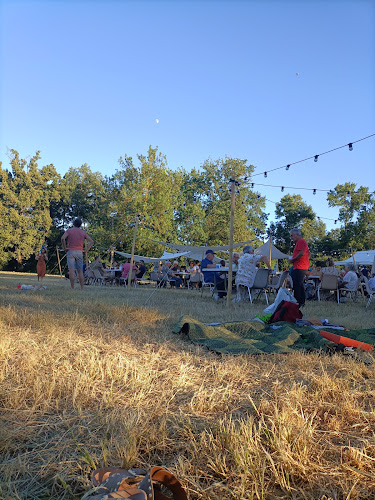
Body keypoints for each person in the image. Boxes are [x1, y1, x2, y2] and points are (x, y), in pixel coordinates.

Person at [61, 218, 94, 290]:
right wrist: (86, 250)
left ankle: (72, 287)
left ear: (73, 223)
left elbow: (63, 238)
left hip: (71, 251)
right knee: (80, 271)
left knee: (72, 271)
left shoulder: (69, 231)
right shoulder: (83, 232)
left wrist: (65, 248)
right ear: (80, 225)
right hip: (79, 252)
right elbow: (91, 241)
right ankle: (82, 287)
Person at [288, 228, 310, 307]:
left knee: (297, 284)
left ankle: (298, 302)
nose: (291, 238)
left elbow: (301, 253)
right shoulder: (301, 242)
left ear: (297, 235)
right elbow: (308, 253)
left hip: (299, 266)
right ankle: (301, 301)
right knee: (299, 284)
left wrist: (292, 260)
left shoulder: (301, 241)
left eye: (292, 236)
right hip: (301, 266)